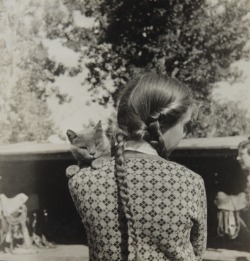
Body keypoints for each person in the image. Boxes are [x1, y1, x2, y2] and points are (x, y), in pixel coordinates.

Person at [68, 72, 207, 261]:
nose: (184, 134)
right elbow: (197, 252)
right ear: (163, 123)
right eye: (184, 125)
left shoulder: (82, 180)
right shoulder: (190, 182)